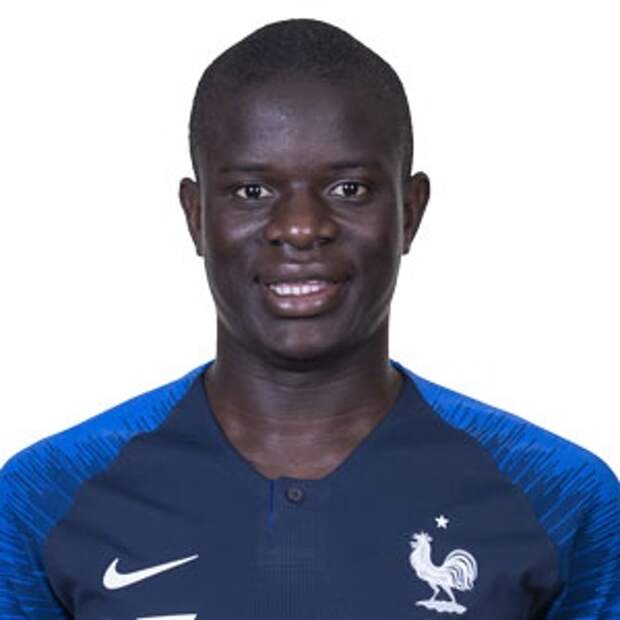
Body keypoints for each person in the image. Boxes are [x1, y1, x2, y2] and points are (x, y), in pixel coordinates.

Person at [1, 17, 618, 620]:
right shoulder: (48, 498)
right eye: (252, 191)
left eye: (349, 189)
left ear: (410, 211)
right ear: (195, 215)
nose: (300, 228)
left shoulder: (560, 499)